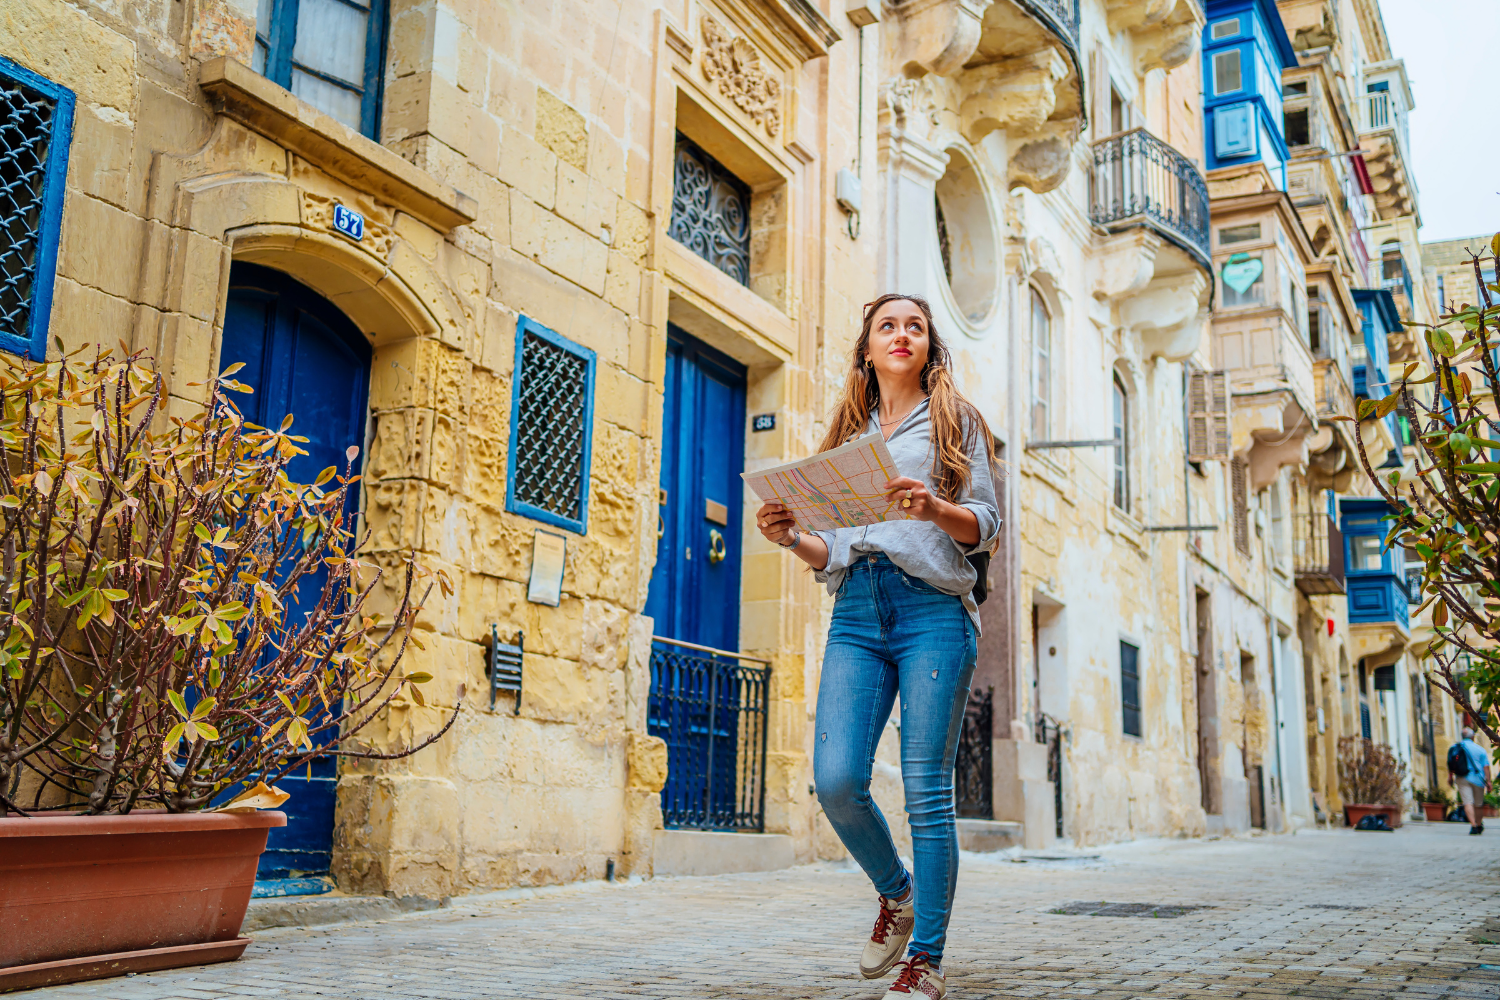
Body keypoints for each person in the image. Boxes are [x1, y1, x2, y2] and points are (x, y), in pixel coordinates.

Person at [755, 294, 999, 1000]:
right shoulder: (847, 433)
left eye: (915, 326)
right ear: (867, 347)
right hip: (858, 607)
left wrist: (933, 507)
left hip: (932, 611)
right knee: (835, 779)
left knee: (925, 789)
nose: (901, 334)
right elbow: (829, 546)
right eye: (888, 325)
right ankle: (898, 893)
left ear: (928, 347)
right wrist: (789, 536)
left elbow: (984, 522)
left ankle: (926, 961)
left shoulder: (957, 421)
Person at [1448, 726, 1493, 835]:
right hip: (1478, 779)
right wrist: (1489, 781)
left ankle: (1473, 825)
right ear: (1473, 737)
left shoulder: (1455, 747)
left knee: (1467, 802)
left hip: (1462, 778)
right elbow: (1485, 767)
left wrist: (1450, 777)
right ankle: (1478, 824)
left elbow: (1451, 764)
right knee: (1478, 804)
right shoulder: (1480, 749)